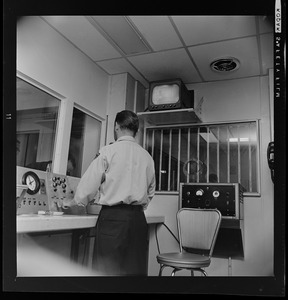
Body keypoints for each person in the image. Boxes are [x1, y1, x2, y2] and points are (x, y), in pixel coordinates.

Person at [67, 110, 155, 276]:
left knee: (106, 274)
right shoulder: (147, 157)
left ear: (116, 126)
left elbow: (88, 186)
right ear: (136, 131)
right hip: (138, 220)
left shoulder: (108, 151)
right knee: (134, 274)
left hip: (113, 219)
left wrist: (74, 203)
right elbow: (150, 192)